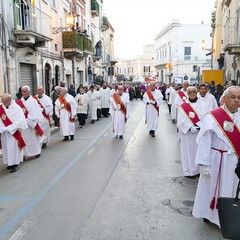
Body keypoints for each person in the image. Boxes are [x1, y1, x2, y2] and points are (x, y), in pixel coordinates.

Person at [192, 86, 240, 226]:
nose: (236, 101)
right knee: (213, 188)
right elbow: (204, 141)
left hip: (235, 160)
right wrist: (204, 164)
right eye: (233, 97)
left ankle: (230, 216)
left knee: (232, 188)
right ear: (224, 99)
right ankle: (210, 215)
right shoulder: (213, 116)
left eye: (239, 98)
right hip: (217, 160)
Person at [177, 86, 208, 177]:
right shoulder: (182, 107)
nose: (192, 93)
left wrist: (198, 127)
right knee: (187, 152)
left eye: (194, 91)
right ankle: (188, 171)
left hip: (199, 132)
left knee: (199, 151)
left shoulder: (203, 104)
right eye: (190, 92)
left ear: (196, 92)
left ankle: (198, 171)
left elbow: (206, 118)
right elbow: (181, 120)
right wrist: (190, 128)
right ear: (187, 93)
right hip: (188, 134)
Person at [0, 93, 27, 172]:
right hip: (4, 133)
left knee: (13, 148)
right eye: (2, 101)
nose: (3, 103)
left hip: (13, 132)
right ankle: (9, 162)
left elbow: (19, 121)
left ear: (9, 100)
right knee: (6, 148)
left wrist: (8, 128)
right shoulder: (1, 107)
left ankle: (15, 164)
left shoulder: (17, 108)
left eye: (4, 102)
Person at [16, 85, 44, 159]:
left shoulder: (33, 101)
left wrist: (29, 120)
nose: (24, 93)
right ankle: (24, 154)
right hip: (23, 124)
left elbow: (35, 112)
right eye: (22, 91)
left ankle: (37, 151)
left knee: (34, 139)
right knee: (24, 139)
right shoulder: (18, 102)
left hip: (31, 123)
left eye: (25, 91)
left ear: (29, 92)